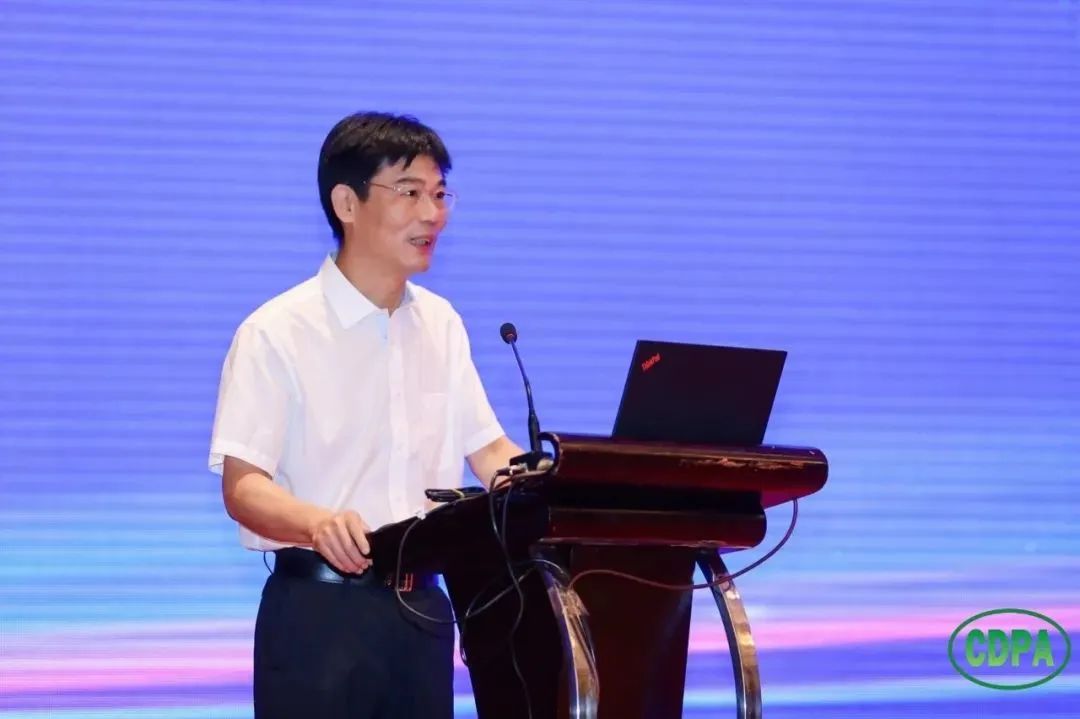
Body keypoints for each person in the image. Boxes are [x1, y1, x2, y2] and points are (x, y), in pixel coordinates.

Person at [208, 111, 526, 719]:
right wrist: (316, 523)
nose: (432, 214)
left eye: (439, 194)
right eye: (409, 193)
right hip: (319, 617)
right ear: (346, 203)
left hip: (423, 613)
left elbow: (489, 451)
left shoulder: (441, 324)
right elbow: (243, 486)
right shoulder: (276, 331)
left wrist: (559, 484)